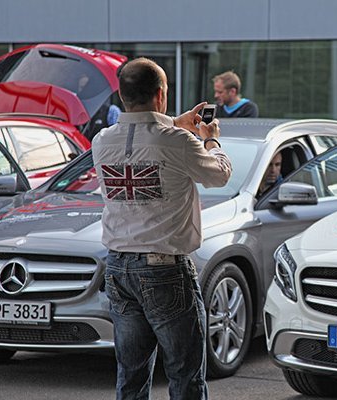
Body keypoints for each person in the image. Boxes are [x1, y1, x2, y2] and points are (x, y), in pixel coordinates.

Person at [92, 57, 231, 400]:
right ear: (160, 95)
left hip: (118, 268)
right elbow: (219, 174)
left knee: (131, 374)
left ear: (123, 95)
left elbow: (145, 135)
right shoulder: (177, 142)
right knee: (185, 374)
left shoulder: (101, 141)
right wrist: (210, 140)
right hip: (164, 269)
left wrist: (173, 122)